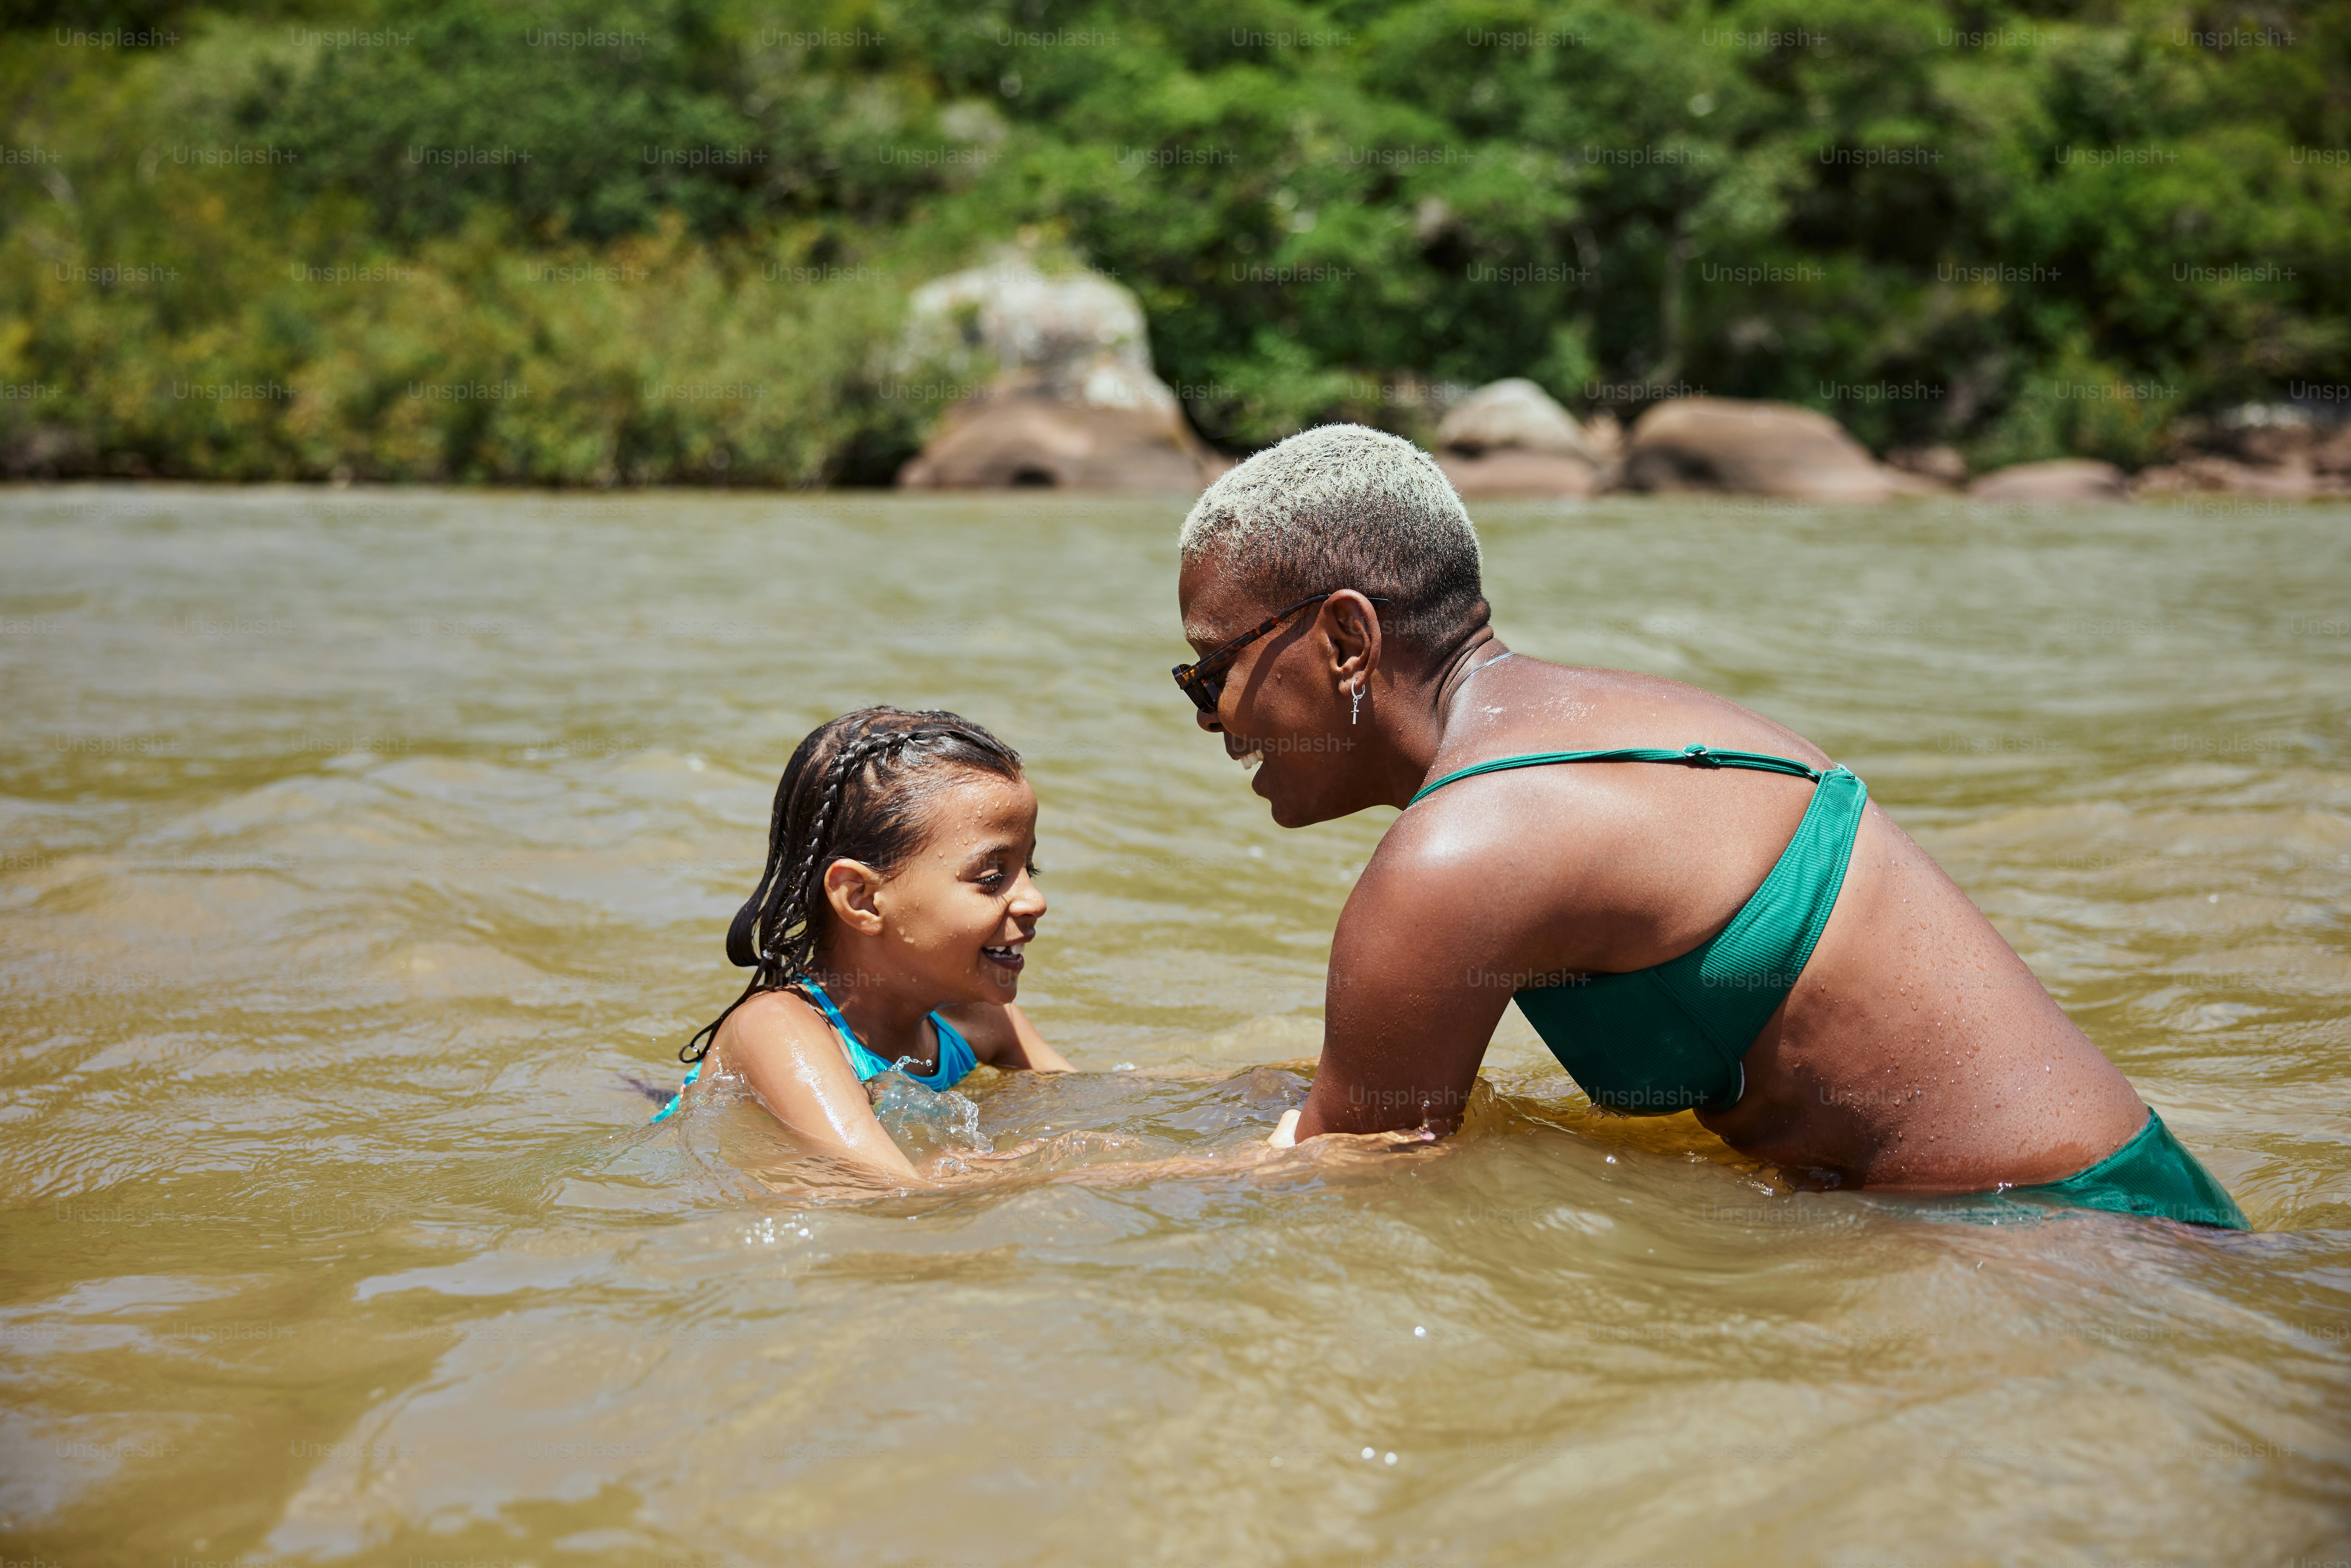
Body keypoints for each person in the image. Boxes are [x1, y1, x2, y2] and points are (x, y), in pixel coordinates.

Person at [1172, 425, 2245, 1229]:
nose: (1213, 719)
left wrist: (1035, 1185)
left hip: (2042, 1257)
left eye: (1211, 672)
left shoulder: (1462, 849)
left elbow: (1355, 1167)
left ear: (1349, 641)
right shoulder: (1632, 720)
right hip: (2146, 1209)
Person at [650, 707, 1070, 1180]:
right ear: (863, 899)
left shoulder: (975, 1015)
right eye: (993, 877)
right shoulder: (776, 1030)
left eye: (1028, 871)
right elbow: (888, 1189)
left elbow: (1107, 1105)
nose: (1035, 901)